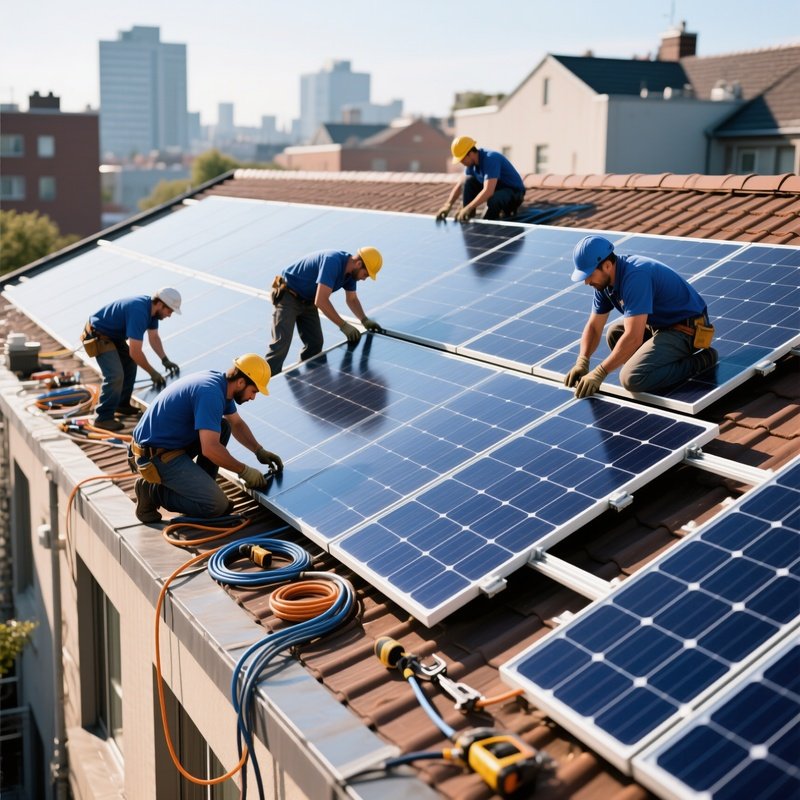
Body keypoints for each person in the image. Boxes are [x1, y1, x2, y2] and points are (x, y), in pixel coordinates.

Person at [130, 354, 283, 523]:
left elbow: (237, 424)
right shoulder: (210, 393)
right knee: (216, 507)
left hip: (168, 445)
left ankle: (202, 489)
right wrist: (244, 471)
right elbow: (209, 449)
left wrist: (258, 450)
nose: (253, 397)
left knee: (223, 426)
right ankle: (152, 492)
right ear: (241, 382)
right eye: (253, 391)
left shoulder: (221, 385)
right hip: (153, 456)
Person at [564, 235, 718, 398]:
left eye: (589, 275)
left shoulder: (635, 276)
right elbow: (594, 327)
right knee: (615, 333)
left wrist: (599, 372)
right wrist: (583, 360)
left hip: (686, 329)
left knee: (631, 379)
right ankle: (652, 368)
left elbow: (633, 338)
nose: (586, 282)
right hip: (660, 325)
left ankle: (703, 360)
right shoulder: (604, 285)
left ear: (607, 265)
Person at [266, 247, 383, 375]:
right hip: (288, 295)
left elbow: (352, 299)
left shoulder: (350, 275)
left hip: (308, 300)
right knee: (281, 345)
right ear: (359, 264)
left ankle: (309, 380)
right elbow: (321, 301)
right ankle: (265, 383)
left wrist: (364, 320)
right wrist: (343, 325)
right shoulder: (333, 262)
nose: (364, 278)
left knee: (315, 344)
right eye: (365, 274)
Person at [82, 288, 182, 431]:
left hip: (114, 337)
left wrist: (164, 359)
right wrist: (152, 372)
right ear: (160, 304)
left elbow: (153, 337)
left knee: (130, 364)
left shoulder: (152, 313)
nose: (170, 315)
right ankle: (103, 417)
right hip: (98, 334)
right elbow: (135, 351)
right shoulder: (139, 311)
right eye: (170, 311)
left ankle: (121, 404)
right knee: (115, 375)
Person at [436, 136, 525, 223]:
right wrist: (448, 205)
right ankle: (467, 215)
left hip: (514, 193)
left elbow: (488, 191)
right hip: (497, 189)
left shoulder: (490, 159)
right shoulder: (471, 164)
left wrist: (469, 207)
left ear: (470, 153)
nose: (461, 163)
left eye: (462, 159)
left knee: (494, 199)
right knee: (468, 181)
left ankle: (488, 224)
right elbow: (460, 185)